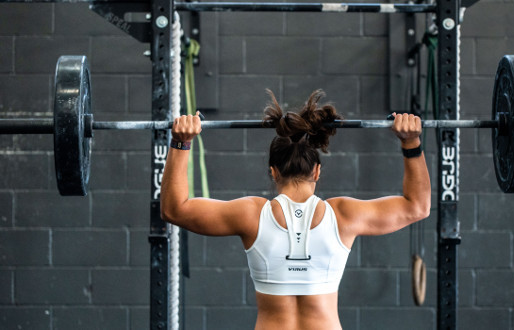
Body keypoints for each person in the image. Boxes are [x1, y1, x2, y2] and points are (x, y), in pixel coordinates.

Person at [160, 89, 431, 330]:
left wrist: (181, 143)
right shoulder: (343, 215)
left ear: (272, 171)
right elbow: (417, 206)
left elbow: (174, 209)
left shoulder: (251, 215)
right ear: (317, 171)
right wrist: (411, 143)